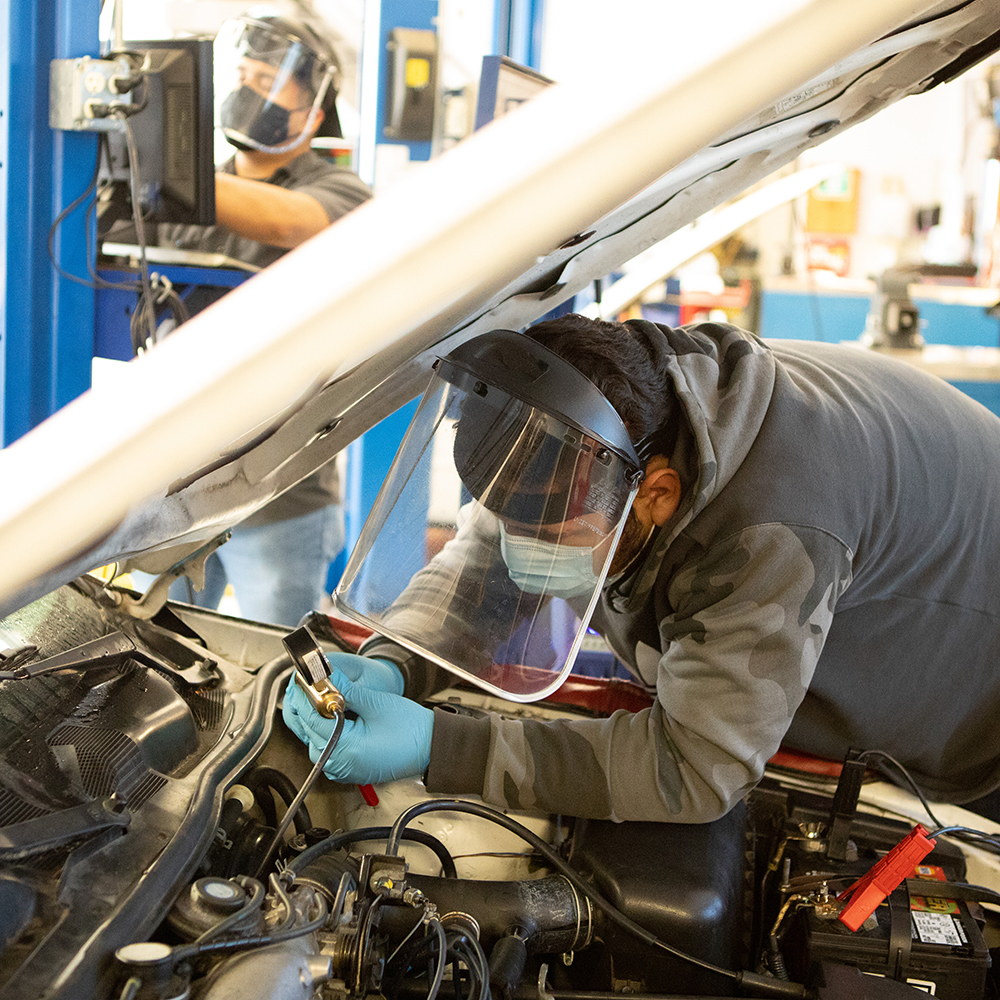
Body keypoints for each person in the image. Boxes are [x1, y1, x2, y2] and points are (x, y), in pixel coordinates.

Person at [283, 314, 1000, 823]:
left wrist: (444, 746)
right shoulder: (614, 414)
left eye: (552, 536)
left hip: (973, 723)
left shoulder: (773, 528)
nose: (514, 552)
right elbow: (484, 558)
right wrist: (397, 659)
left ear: (654, 495)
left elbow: (694, 770)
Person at [150, 7, 371, 625]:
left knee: (277, 659)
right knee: (166, 649)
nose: (249, 91)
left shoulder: (341, 191)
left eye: (269, 79)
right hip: (180, 486)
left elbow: (286, 222)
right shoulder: (183, 195)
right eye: (241, 74)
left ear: (313, 107)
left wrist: (158, 174)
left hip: (281, 489)